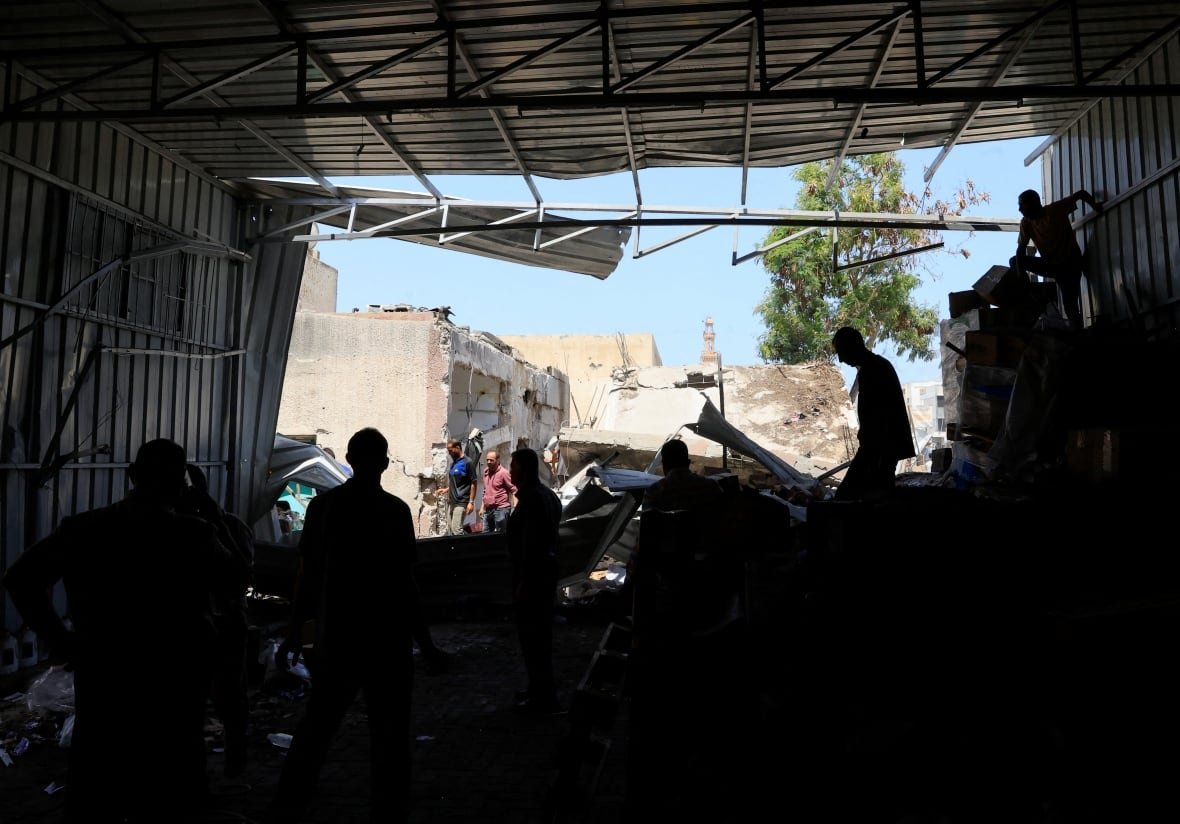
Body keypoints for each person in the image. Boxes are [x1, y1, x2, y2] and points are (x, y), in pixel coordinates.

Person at [1, 438, 237, 823]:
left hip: (106, 674)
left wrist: (63, 643)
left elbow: (20, 578)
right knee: (173, 784)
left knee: (97, 782)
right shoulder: (193, 535)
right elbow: (236, 578)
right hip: (173, 679)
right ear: (181, 485)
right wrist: (211, 514)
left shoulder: (84, 529)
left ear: (131, 476)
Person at [266, 427, 436, 824]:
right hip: (387, 639)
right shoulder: (394, 511)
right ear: (384, 463)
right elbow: (405, 583)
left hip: (338, 636)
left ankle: (289, 803)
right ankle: (389, 809)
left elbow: (307, 577)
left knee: (318, 726)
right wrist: (425, 644)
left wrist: (295, 631)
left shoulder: (325, 509)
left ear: (349, 458)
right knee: (390, 733)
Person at [179, 462, 256, 778]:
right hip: (213, 625)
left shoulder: (224, 527)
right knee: (222, 698)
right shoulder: (216, 526)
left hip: (220, 625)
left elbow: (241, 574)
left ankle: (233, 763)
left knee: (228, 698)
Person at [506, 447, 563, 713]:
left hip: (532, 579)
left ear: (524, 469)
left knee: (533, 640)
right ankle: (538, 690)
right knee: (540, 639)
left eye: (514, 465)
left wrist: (523, 583)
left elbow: (531, 546)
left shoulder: (531, 501)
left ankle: (541, 696)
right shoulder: (548, 496)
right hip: (545, 578)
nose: (511, 470)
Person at [831, 326, 916, 501]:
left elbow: (880, 419)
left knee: (850, 498)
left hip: (879, 449)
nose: (840, 359)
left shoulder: (873, 370)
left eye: (841, 351)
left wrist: (872, 450)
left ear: (852, 347)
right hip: (879, 449)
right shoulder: (875, 367)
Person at [1010, 188, 1104, 329]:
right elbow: (1020, 251)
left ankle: (1080, 338)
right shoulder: (1026, 223)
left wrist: (1095, 206)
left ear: (1033, 203)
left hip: (1070, 264)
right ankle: (1028, 292)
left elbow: (1081, 194)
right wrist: (1021, 276)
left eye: (1022, 205)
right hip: (1051, 265)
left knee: (1070, 307)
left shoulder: (1054, 210)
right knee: (1015, 261)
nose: (1019, 209)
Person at [437, 436, 476, 535]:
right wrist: (446, 490)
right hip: (452, 502)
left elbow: (473, 483)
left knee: (456, 530)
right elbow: (456, 482)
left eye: (450, 450)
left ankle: (467, 549)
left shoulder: (468, 462)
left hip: (462, 502)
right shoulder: (453, 464)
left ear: (458, 447)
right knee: (451, 527)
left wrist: (471, 502)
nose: (449, 453)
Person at [479, 449, 516, 533]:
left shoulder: (504, 473)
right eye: (487, 460)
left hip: (501, 509)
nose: (488, 462)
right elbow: (485, 491)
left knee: (501, 534)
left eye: (491, 460)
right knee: (485, 533)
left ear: (498, 460)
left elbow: (514, 489)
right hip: (488, 509)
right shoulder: (486, 472)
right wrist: (482, 508)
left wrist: (515, 507)